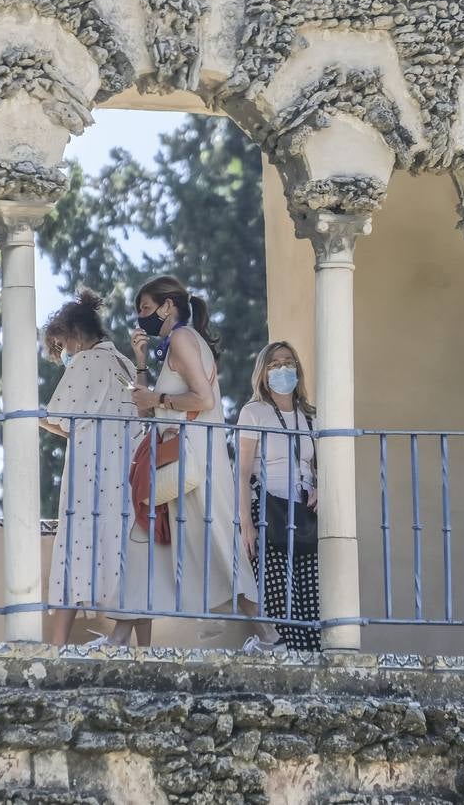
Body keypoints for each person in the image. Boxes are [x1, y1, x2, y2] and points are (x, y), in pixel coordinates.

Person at [101, 275, 276, 652]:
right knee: (144, 541)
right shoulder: (179, 341)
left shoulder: (181, 338)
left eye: (146, 308)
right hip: (181, 458)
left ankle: (270, 635)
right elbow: (149, 403)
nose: (141, 317)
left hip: (192, 460)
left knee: (218, 544)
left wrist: (158, 399)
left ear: (168, 306)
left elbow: (201, 399)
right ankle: (118, 636)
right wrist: (142, 362)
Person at [39, 289, 138, 647]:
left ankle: (57, 645)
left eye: (61, 343)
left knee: (74, 550)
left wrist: (36, 419)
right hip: (124, 473)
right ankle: (133, 643)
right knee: (126, 555)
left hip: (90, 472)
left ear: (75, 336)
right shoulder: (125, 364)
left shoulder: (85, 363)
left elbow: (62, 419)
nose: (62, 352)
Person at [237, 341, 321, 651]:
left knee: (312, 598)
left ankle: (312, 662)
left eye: (288, 362)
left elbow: (321, 465)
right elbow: (242, 472)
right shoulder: (254, 412)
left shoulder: (310, 416)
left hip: (305, 515)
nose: (282, 369)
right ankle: (284, 657)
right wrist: (245, 522)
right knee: (279, 596)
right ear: (263, 372)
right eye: (274, 364)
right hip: (268, 513)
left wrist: (321, 488)